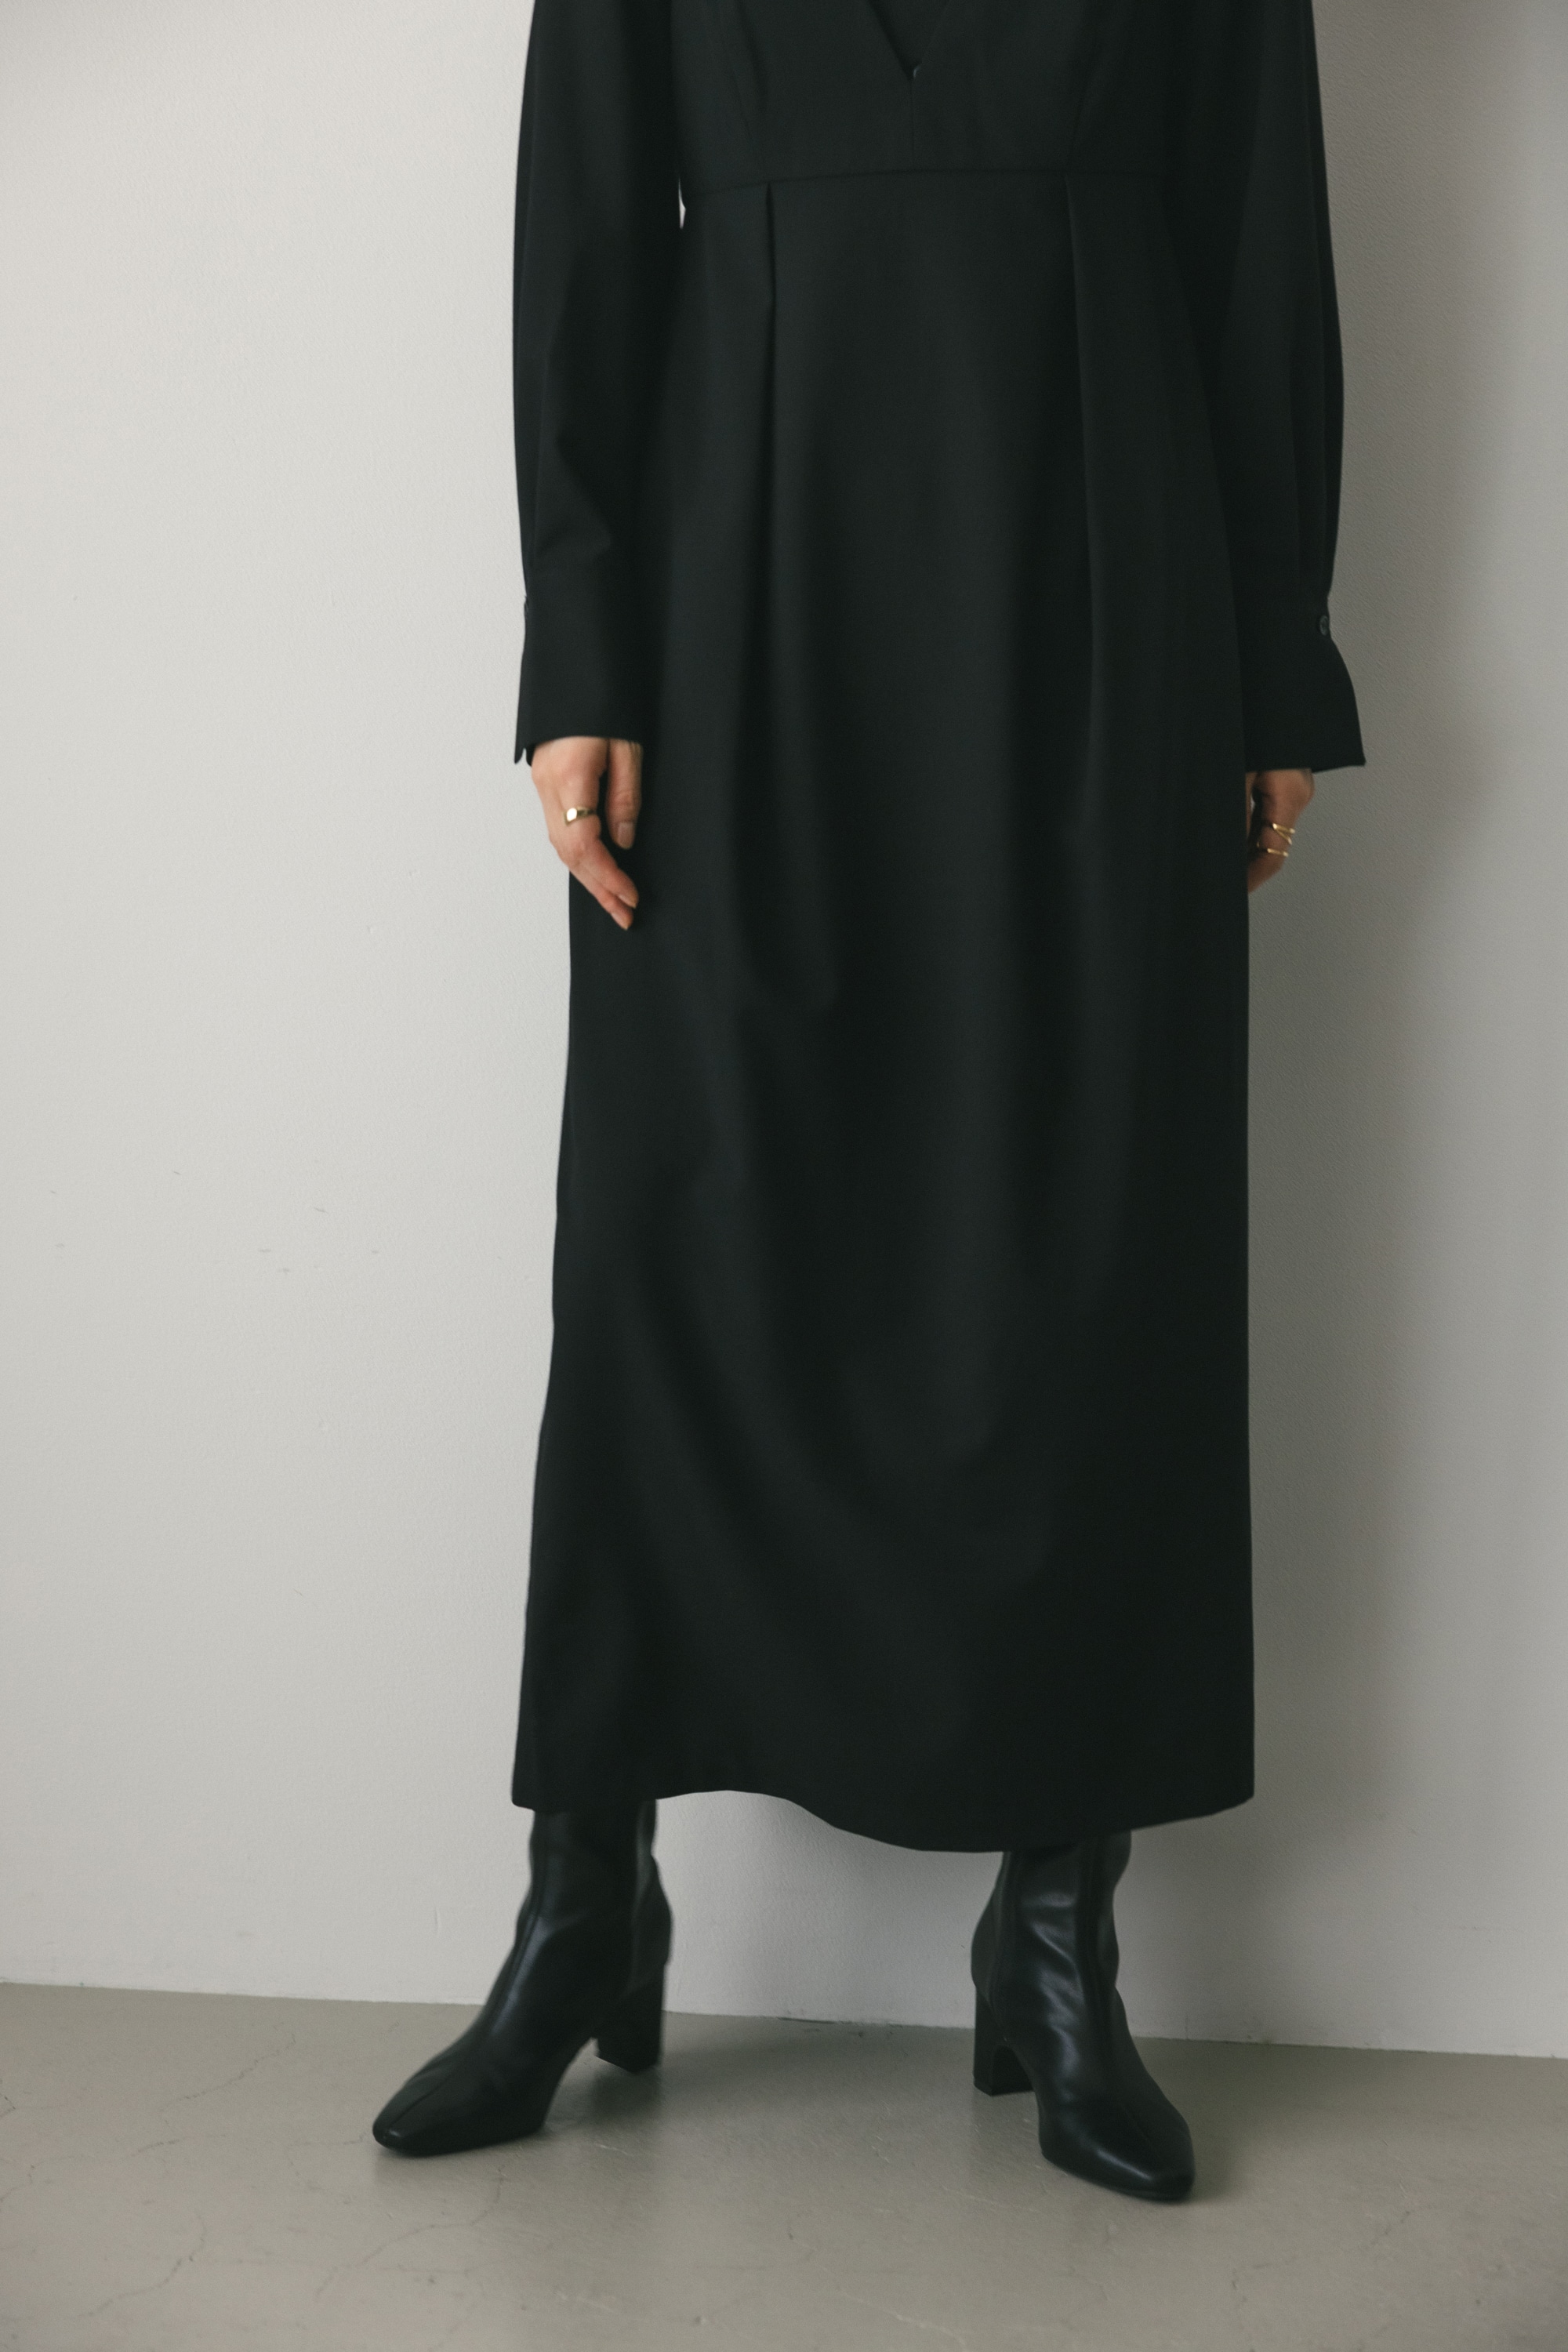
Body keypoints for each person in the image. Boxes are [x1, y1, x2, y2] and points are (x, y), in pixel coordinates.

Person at [373, 0, 1364, 2201]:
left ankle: (1056, 1936)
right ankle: (584, 1900)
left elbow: (1255, 237)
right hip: (735, 600)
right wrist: (580, 642)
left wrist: (1274, 649)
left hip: (1102, 596)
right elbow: (586, 235)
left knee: (1086, 1225)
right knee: (676, 1234)